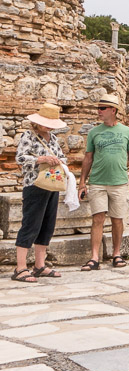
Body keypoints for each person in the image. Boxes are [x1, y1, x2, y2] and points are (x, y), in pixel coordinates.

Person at [79, 94, 129, 270]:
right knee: (97, 218)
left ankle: (116, 253)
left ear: (113, 110)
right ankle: (94, 257)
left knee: (117, 219)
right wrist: (82, 182)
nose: (99, 111)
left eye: (102, 108)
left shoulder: (127, 132)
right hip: (97, 182)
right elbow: (88, 158)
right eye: (98, 108)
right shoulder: (94, 132)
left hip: (119, 182)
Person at [12, 104, 69, 282]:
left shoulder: (52, 138)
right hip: (35, 185)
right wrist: (41, 159)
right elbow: (20, 158)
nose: (48, 126)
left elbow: (62, 157)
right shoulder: (28, 136)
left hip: (51, 184)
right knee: (30, 224)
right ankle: (20, 268)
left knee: (47, 226)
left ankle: (39, 265)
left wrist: (57, 160)